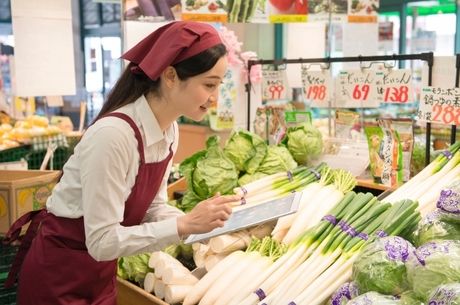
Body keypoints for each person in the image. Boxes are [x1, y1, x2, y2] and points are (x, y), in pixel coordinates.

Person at [4, 21, 239, 305]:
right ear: (170, 76)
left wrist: (204, 227)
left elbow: (152, 206)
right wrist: (183, 224)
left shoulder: (169, 129)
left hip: (100, 275)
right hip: (59, 276)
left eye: (219, 85)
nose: (215, 98)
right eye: (209, 85)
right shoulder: (114, 136)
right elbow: (102, 241)